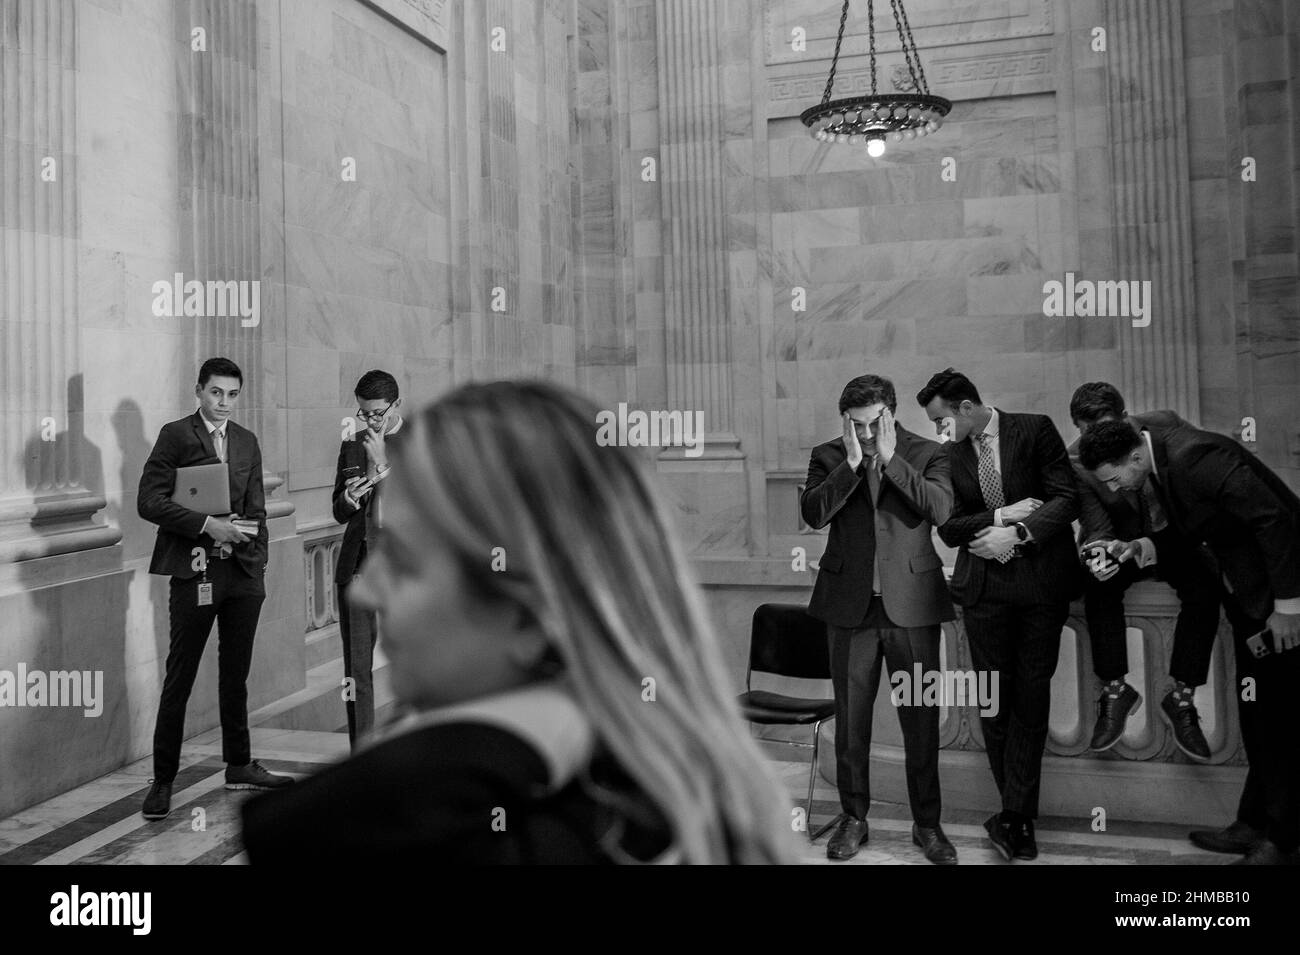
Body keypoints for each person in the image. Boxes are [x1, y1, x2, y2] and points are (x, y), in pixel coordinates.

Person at [241, 380, 796, 864]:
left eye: (405, 560)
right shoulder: (655, 782)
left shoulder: (451, 833)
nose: (367, 586)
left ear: (527, 613)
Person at [1080, 418, 1300, 865]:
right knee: (1258, 716)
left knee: (1284, 722)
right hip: (1248, 602)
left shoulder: (1195, 456)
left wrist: (1289, 607)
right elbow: (1191, 531)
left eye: (1116, 477)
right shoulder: (1158, 465)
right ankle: (1253, 824)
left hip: (1278, 602)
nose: (1117, 489)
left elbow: (1273, 519)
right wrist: (1137, 547)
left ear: (1135, 457)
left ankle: (1284, 842)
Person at [916, 368, 1081, 862]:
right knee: (994, 701)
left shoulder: (1033, 429)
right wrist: (1003, 518)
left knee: (1031, 698)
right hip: (984, 590)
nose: (939, 432)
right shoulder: (947, 456)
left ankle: (1016, 817)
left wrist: (1022, 534)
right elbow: (948, 529)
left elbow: (1067, 498)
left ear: (967, 407)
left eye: (942, 420)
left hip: (1041, 585)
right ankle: (1014, 815)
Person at [801, 374, 957, 864]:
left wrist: (890, 461)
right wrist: (851, 465)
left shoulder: (928, 452)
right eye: (855, 426)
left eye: (872, 425)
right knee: (850, 723)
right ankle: (853, 819)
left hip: (912, 607)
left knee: (921, 722)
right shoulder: (829, 455)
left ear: (890, 414)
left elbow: (941, 509)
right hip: (850, 609)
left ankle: (928, 826)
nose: (865, 435)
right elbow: (813, 514)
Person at [138, 358, 293, 821]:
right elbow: (149, 500)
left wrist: (257, 561)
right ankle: (163, 780)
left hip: (242, 576)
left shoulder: (246, 440)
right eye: (215, 393)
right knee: (179, 676)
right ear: (199, 391)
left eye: (231, 394)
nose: (223, 403)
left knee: (235, 675)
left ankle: (239, 763)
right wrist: (208, 525)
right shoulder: (176, 435)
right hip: (196, 570)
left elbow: (258, 509)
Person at [1067, 383, 1220, 759]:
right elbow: (1095, 522)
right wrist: (1099, 552)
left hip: (1176, 539)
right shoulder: (1075, 460)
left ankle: (1182, 698)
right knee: (1097, 584)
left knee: (1205, 583)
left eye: (1104, 427)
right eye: (1087, 433)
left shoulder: (1165, 425)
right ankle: (1116, 690)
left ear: (1124, 418)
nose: (1097, 440)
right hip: (1120, 542)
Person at [332, 370, 404, 747]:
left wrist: (383, 468)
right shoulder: (351, 444)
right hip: (358, 564)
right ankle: (361, 751)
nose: (372, 421)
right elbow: (338, 510)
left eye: (378, 413)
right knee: (356, 669)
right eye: (364, 414)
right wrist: (350, 498)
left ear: (396, 405)